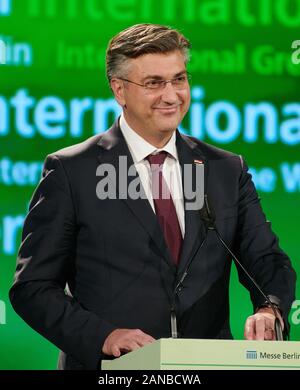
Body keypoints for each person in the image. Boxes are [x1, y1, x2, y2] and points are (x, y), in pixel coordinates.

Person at [10, 24, 296, 370]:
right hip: (111, 370)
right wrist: (104, 336)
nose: (172, 95)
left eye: (179, 79)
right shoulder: (72, 172)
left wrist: (270, 308)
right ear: (119, 90)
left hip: (204, 367)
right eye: (154, 83)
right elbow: (33, 288)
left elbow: (267, 260)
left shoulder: (224, 170)